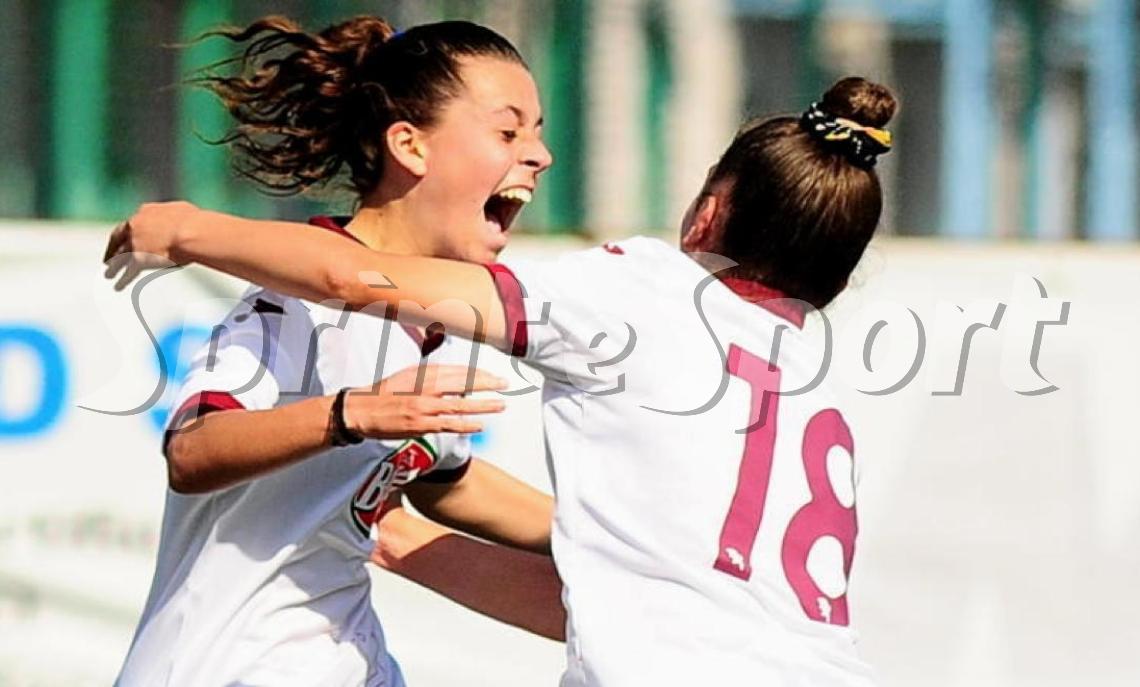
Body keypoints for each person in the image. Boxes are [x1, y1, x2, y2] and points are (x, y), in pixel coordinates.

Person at [106, 76, 895, 686]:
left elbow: (356, 277)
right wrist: (399, 533)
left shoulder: (645, 292)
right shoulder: (812, 394)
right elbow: (592, 590)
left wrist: (188, 229)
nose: (539, 155)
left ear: (708, 212)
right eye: (509, 129)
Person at [110, 16, 558, 687]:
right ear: (409, 144)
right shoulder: (294, 303)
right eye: (508, 130)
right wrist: (347, 413)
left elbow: (446, 479)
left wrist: (614, 525)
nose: (540, 154)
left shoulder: (439, 317)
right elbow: (193, 450)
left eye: (540, 130)